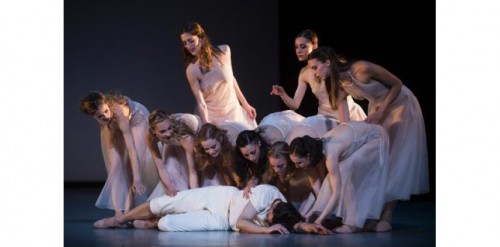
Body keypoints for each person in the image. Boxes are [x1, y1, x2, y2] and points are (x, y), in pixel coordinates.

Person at [307, 46, 429, 231]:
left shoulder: (361, 69)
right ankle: (371, 216)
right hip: (378, 111)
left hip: (400, 106)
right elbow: (344, 121)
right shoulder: (338, 85)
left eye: (315, 67)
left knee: (395, 159)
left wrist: (382, 111)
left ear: (328, 63)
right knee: (378, 160)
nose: (313, 73)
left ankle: (386, 216)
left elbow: (397, 84)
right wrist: (348, 141)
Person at [93, 184, 332, 234]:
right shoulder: (269, 194)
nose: (267, 220)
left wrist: (310, 226)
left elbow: (297, 223)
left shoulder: (285, 213)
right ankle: (121, 219)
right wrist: (266, 231)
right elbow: (242, 222)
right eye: (269, 217)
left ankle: (151, 223)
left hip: (220, 221)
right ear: (274, 208)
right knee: (163, 203)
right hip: (221, 197)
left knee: (169, 224)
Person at [289, 121, 390, 233]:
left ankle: (352, 224)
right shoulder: (316, 149)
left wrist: (320, 219)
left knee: (344, 170)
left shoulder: (330, 154)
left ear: (308, 155)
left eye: (299, 163)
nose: (297, 167)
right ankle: (354, 220)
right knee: (335, 176)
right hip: (359, 135)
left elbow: (336, 192)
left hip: (375, 138)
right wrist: (314, 212)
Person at [80, 91, 159, 227]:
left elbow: (131, 149)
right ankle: (119, 215)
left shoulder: (119, 111)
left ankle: (128, 214)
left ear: (107, 103)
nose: (105, 115)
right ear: (93, 116)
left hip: (137, 120)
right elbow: (114, 164)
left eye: (106, 111)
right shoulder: (104, 118)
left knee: (132, 166)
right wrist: (104, 118)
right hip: (113, 124)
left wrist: (137, 179)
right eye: (100, 115)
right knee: (115, 167)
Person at [270, 29, 366, 121]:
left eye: (303, 46)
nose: (298, 50)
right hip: (325, 117)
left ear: (314, 46)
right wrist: (283, 94)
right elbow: (295, 104)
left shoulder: (329, 65)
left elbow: (353, 89)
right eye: (296, 47)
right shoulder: (304, 73)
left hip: (348, 114)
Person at [180, 21, 257, 129]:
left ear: (201, 37)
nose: (188, 46)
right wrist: (207, 125)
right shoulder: (192, 70)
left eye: (191, 41)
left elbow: (231, 79)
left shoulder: (224, 51)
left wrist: (245, 104)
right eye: (184, 43)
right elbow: (201, 103)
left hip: (233, 111)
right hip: (212, 118)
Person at [146, 109, 201, 198]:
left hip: (191, 133)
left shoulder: (185, 137)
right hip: (173, 139)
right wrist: (170, 188)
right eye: (162, 131)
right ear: (153, 131)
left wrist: (195, 195)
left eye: (169, 128)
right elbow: (160, 166)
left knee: (190, 170)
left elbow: (192, 171)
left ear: (170, 123)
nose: (168, 133)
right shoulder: (150, 136)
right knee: (170, 168)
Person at [262, 141, 315, 216]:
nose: (276, 170)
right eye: (273, 166)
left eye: (280, 166)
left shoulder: (301, 171)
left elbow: (313, 194)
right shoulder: (272, 174)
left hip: (304, 207)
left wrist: (301, 214)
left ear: (289, 159)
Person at [233, 129, 270, 198]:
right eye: (246, 155)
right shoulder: (241, 160)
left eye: (253, 152)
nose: (251, 158)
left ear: (259, 143)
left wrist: (253, 181)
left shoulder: (270, 157)